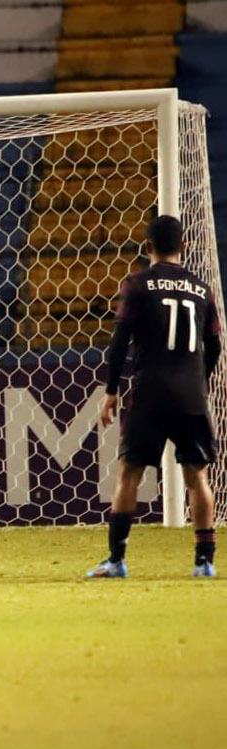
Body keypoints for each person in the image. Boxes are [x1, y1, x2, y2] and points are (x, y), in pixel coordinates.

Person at [94, 215, 221, 579]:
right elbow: (213, 344)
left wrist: (111, 390)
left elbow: (120, 342)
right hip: (190, 395)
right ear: (184, 246)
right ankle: (204, 562)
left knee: (129, 474)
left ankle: (116, 560)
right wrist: (199, 380)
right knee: (197, 477)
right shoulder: (201, 288)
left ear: (147, 245)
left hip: (148, 392)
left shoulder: (136, 284)